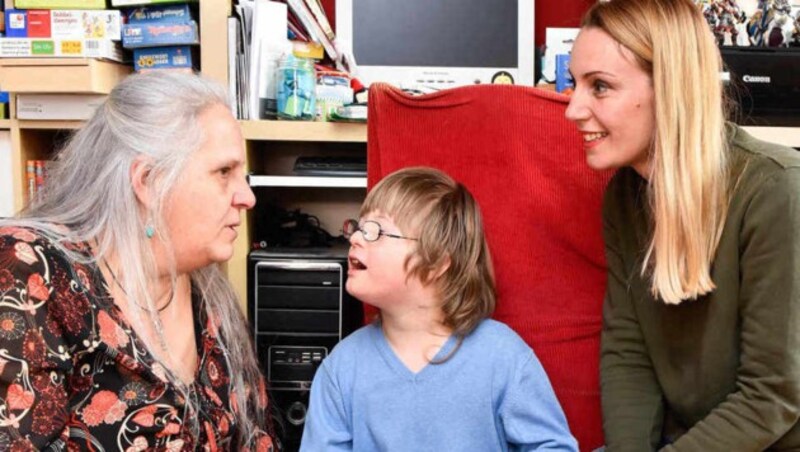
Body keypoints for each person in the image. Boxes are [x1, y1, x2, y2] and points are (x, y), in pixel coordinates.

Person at [565, 0, 800, 450]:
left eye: (599, 87)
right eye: (573, 84)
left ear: (670, 88)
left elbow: (773, 396)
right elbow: (628, 352)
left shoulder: (777, 190)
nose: (572, 109)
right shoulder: (624, 195)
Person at [0, 72, 276, 450]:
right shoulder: (29, 272)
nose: (246, 197)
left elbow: (256, 439)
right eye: (224, 172)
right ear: (148, 181)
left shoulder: (210, 294)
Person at [299, 167, 578, 451]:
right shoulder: (341, 368)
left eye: (376, 231)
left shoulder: (503, 357)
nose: (356, 237)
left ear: (436, 265)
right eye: (359, 227)